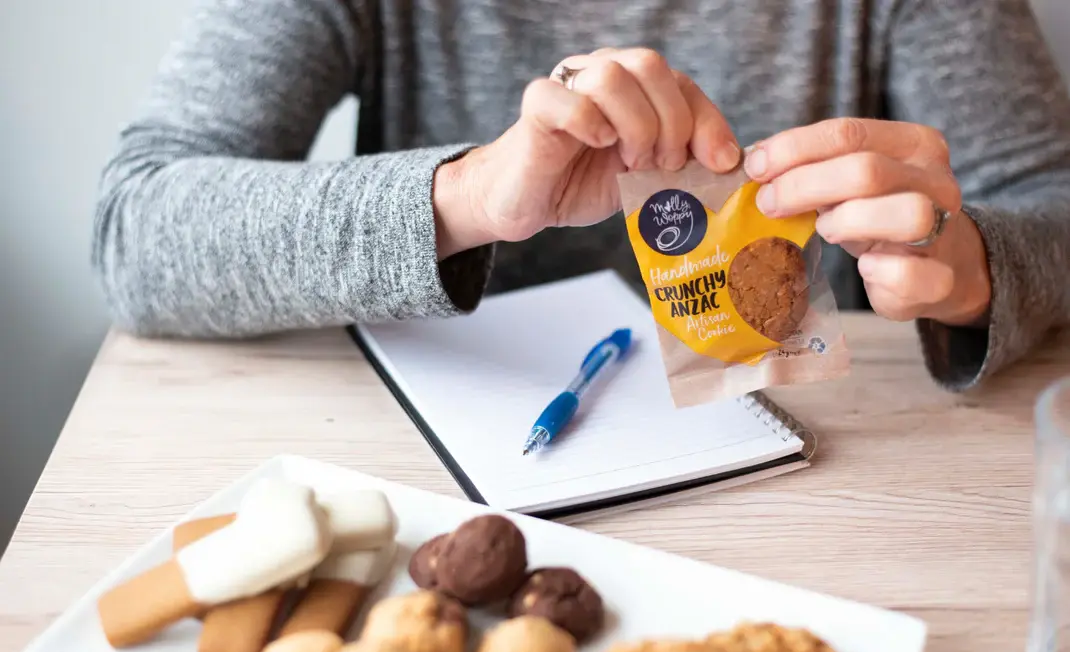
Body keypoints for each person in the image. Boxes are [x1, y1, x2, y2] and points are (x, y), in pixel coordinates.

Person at [92, 0, 1070, 393]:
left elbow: (1049, 199)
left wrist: (974, 267)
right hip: (432, 472)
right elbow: (136, 228)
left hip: (836, 473)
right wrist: (467, 197)